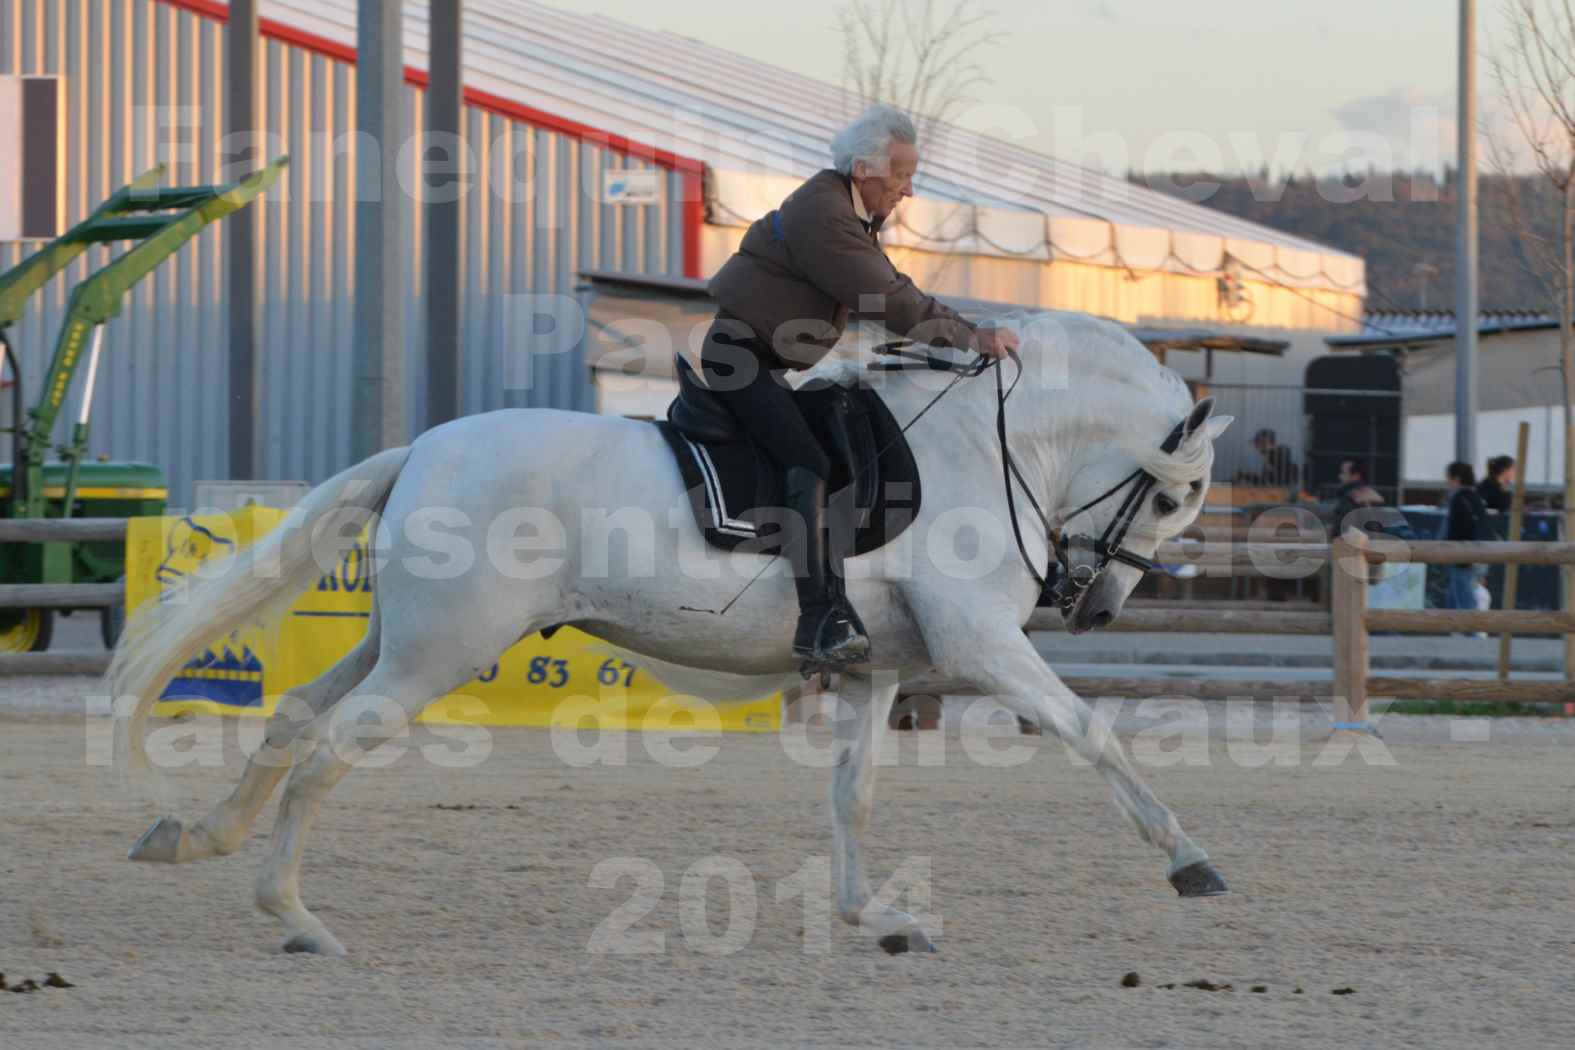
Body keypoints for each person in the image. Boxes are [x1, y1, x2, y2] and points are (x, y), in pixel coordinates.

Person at [700, 104, 1019, 672]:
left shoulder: (845, 213)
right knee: (811, 463)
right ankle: (821, 616)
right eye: (901, 175)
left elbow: (894, 291)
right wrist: (971, 337)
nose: (908, 190)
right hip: (738, 360)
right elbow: (889, 300)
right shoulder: (825, 215)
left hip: (762, 359)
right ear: (867, 169)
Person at [1442, 461, 1488, 611]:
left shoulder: (1458, 499)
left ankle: (1471, 631)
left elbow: (1456, 528)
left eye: (1448, 479)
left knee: (1464, 597)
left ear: (1456, 479)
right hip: (1479, 554)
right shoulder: (1476, 498)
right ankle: (1462, 629)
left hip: (1462, 556)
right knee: (1462, 593)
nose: (1447, 483)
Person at [1329, 459, 1384, 536]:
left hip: (1353, 543)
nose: (1340, 476)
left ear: (1356, 476)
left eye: (1343, 473)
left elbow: (1343, 525)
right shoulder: (1368, 493)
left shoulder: (1355, 495)